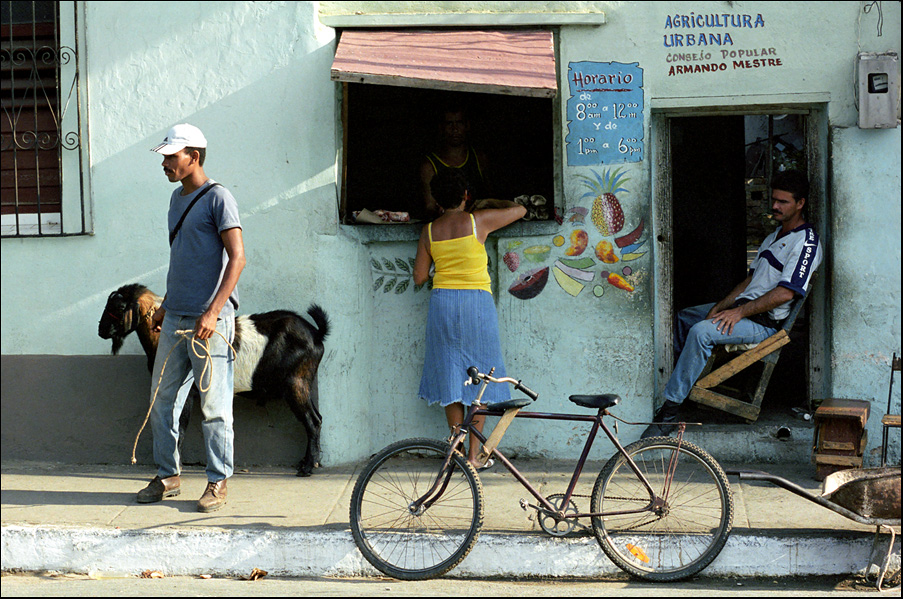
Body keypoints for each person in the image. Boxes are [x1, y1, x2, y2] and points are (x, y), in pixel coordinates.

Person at [642, 170, 823, 438]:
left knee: (701, 332)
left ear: (800, 203)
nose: (775, 206)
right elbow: (749, 281)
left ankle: (669, 412)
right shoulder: (773, 236)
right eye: (774, 200)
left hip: (764, 323)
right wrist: (721, 305)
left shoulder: (806, 243)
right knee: (684, 318)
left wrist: (738, 312)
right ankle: (683, 386)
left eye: (783, 202)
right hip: (745, 310)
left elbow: (785, 294)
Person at [137, 124, 246, 512]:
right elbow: (181, 258)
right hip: (176, 317)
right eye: (165, 156)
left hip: (209, 324)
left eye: (172, 156)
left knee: (214, 406)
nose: (165, 163)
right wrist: (166, 305)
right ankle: (168, 475)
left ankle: (218, 482)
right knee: (162, 400)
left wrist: (214, 313)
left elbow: (238, 257)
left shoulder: (219, 198)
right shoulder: (174, 200)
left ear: (193, 157)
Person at [414, 169, 526, 469]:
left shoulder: (428, 231)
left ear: (436, 199)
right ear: (466, 195)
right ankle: (475, 456)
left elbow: (420, 276)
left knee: (451, 375)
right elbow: (521, 209)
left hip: (443, 304)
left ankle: (456, 452)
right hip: (477, 302)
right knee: (483, 380)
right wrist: (491, 201)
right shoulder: (479, 221)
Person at [419, 106, 492, 219]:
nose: (455, 129)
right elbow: (430, 207)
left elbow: (490, 195)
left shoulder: (479, 158)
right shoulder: (430, 166)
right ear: (441, 128)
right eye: (449, 124)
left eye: (459, 123)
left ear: (467, 126)